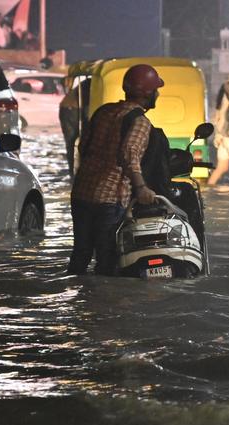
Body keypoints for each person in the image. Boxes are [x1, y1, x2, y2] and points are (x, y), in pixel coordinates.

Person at [67, 64, 162, 276]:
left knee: (80, 254)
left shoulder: (103, 112)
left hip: (81, 192)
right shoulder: (140, 121)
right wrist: (141, 188)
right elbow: (129, 154)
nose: (158, 94)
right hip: (109, 199)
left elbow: (83, 147)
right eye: (156, 90)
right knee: (107, 260)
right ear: (147, 93)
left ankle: (75, 290)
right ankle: (103, 296)